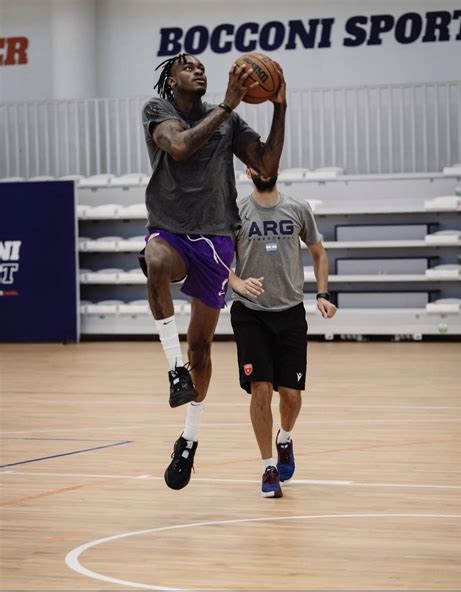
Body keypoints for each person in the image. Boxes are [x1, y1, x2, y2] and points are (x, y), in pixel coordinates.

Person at [139, 53, 287, 490]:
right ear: (170, 77)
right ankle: (173, 371)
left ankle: (188, 438)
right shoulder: (158, 110)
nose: (198, 69)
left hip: (217, 239)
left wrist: (279, 106)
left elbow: (266, 165)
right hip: (171, 230)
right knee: (156, 262)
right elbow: (180, 146)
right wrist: (228, 105)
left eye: (202, 65)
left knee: (201, 348)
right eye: (187, 66)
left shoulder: (229, 119)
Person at [229, 168, 337, 498]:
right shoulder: (235, 212)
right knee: (260, 390)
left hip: (290, 314)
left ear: (276, 168)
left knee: (290, 395)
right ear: (249, 171)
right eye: (256, 163)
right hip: (250, 314)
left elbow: (318, 253)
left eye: (269, 162)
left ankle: (285, 439)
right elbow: (215, 258)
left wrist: (322, 293)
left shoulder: (297, 208)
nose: (263, 168)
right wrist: (236, 282)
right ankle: (267, 468)